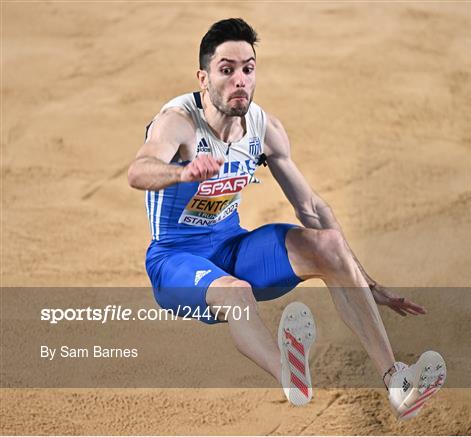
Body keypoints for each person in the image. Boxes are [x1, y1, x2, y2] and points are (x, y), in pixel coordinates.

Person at [127, 18, 446, 419]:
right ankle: (288, 373)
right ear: (204, 78)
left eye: (248, 68)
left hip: (230, 246)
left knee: (328, 243)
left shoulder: (264, 128)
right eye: (226, 70)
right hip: (174, 261)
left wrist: (363, 278)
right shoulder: (178, 122)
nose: (239, 79)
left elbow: (312, 209)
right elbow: (137, 172)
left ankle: (396, 381)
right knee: (235, 292)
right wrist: (182, 173)